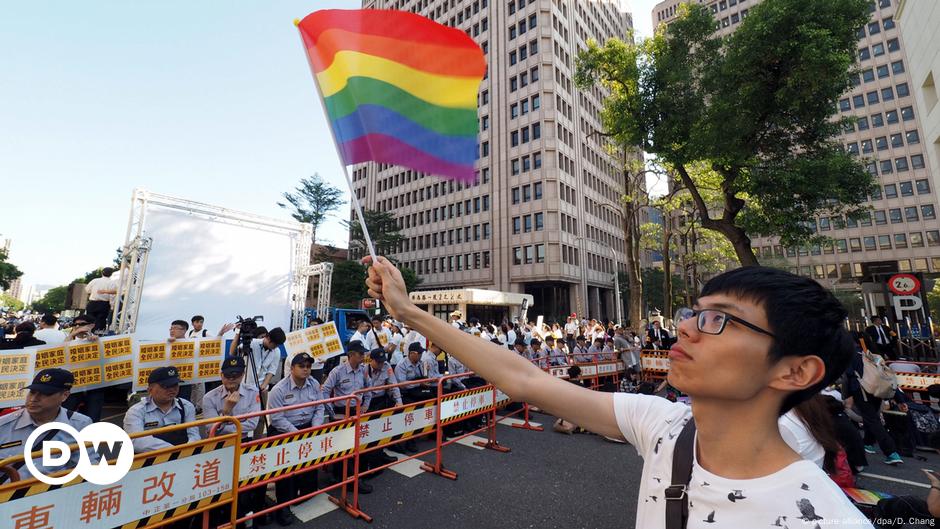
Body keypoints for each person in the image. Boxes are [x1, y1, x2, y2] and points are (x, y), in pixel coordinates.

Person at [364, 257, 873, 528]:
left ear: (795, 372)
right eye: (693, 314)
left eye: (719, 320)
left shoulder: (823, 517)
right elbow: (526, 380)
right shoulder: (665, 427)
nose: (688, 330)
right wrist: (407, 312)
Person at [0, 368, 94, 484]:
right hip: (6, 497)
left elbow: (90, 468)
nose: (33, 399)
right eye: (32, 392)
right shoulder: (3, 425)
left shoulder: (79, 424)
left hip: (52, 496)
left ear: (64, 396)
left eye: (45, 394)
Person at [201, 356, 263, 525]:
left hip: (244, 443)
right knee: (219, 484)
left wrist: (223, 424)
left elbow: (252, 423)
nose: (231, 379)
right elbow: (210, 430)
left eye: (235, 375)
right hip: (219, 447)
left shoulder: (252, 392)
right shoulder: (209, 398)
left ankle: (244, 516)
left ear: (242, 375)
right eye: (228, 375)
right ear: (221, 375)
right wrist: (227, 412)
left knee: (246, 482)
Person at [267, 353, 327, 525]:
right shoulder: (279, 389)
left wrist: (314, 428)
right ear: (292, 368)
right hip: (284, 431)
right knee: (284, 468)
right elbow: (277, 419)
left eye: (308, 366)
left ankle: (304, 491)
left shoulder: (314, 384)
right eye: (302, 366)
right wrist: (298, 434)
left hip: (307, 427)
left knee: (308, 464)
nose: (306, 370)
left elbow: (319, 408)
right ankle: (283, 506)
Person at [123, 366, 200, 453]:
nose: (172, 389)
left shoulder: (186, 406)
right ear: (150, 390)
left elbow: (194, 434)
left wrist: (188, 449)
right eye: (166, 386)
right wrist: (174, 451)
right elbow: (137, 441)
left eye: (175, 385)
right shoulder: (136, 411)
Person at [84, 267, 118, 332]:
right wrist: (112, 305)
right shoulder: (112, 283)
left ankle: (88, 335)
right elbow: (112, 296)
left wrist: (93, 292)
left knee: (89, 320)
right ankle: (99, 336)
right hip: (104, 304)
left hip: (92, 303)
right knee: (101, 321)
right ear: (111, 274)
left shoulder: (95, 280)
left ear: (102, 273)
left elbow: (87, 290)